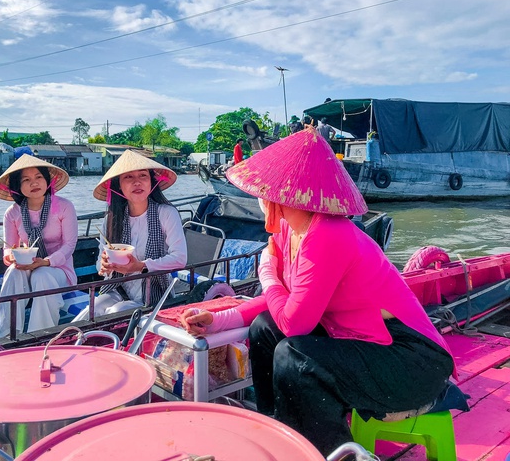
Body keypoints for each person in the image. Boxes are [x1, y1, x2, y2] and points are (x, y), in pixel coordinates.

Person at [179, 129, 455, 455]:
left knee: (293, 356)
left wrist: (266, 272)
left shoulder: (329, 233)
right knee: (265, 328)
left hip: (410, 358)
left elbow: (296, 324)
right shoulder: (288, 228)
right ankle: (279, 430)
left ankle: (327, 452)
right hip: (359, 339)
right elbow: (281, 301)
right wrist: (218, 319)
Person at [74, 150, 187, 320]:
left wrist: (139, 266)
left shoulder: (166, 213)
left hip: (154, 292)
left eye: (143, 176)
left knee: (117, 312)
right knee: (90, 312)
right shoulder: (112, 219)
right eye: (128, 177)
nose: (137, 182)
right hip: (117, 288)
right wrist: (105, 265)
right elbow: (100, 265)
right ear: (119, 186)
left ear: (151, 182)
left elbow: (180, 258)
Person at [0, 154, 78, 337]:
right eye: (26, 180)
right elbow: (9, 246)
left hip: (59, 269)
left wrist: (45, 262)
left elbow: (69, 245)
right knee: (13, 273)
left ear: (47, 180)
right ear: (18, 186)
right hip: (27, 265)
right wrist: (10, 257)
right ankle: (8, 336)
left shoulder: (64, 206)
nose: (34, 183)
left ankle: (40, 335)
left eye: (39, 177)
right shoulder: (12, 213)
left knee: (42, 275)